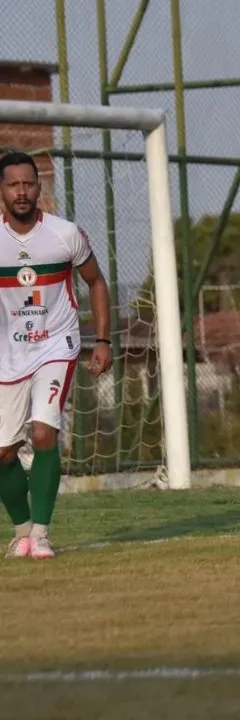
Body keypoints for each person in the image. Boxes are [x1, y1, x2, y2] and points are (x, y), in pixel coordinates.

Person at [0, 152, 114, 559]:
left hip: (56, 345)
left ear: (39, 187)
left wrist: (103, 340)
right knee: (3, 452)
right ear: (2, 191)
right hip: (8, 353)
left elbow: (96, 282)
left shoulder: (66, 234)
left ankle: (43, 535)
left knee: (45, 432)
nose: (22, 192)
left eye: (28, 184)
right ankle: (23, 530)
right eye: (13, 184)